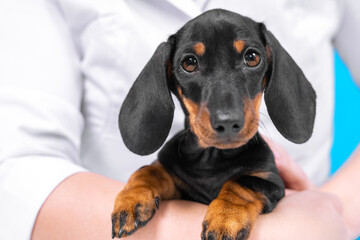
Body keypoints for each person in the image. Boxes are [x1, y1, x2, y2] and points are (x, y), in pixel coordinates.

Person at [0, 0, 359, 239]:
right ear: (169, 79)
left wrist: (331, 217)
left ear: (268, 69)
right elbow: (16, 173)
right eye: (190, 63)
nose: (227, 116)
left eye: (250, 59)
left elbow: (286, 200)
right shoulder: (168, 166)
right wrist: (283, 234)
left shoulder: (258, 165)